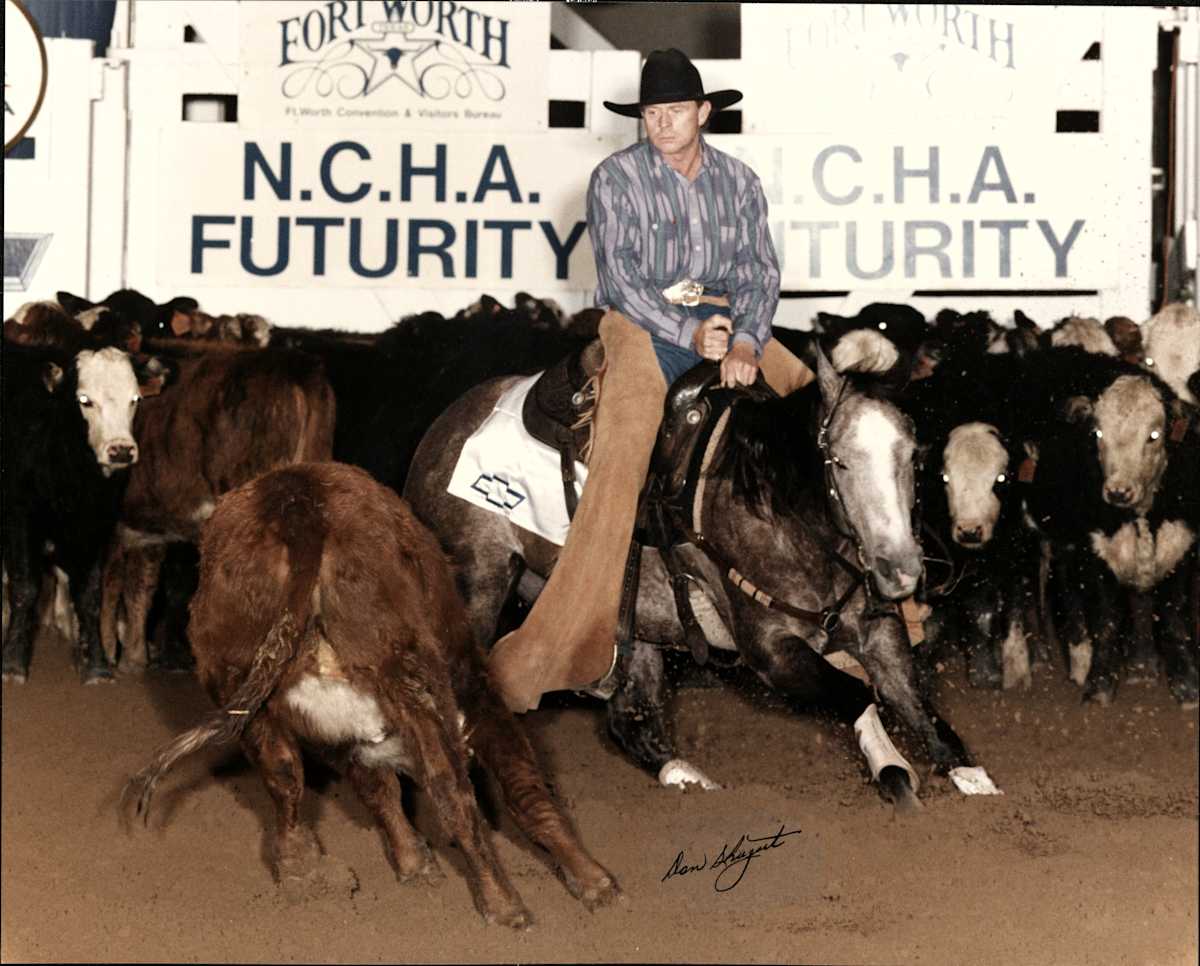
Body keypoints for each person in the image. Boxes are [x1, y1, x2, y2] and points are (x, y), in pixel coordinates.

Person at [487, 48, 814, 713]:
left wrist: (746, 339)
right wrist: (692, 334)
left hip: (727, 321)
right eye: (652, 113)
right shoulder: (616, 178)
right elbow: (621, 282)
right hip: (641, 326)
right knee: (625, 443)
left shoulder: (740, 182)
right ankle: (569, 639)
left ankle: (869, 592)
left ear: (703, 112)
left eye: (675, 111)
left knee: (813, 403)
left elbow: (759, 273)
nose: (662, 123)